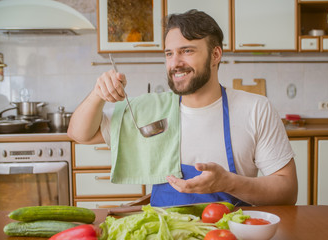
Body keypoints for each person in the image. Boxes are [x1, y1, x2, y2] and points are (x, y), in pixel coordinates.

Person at [68, 9, 298, 207]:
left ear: (215, 54)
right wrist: (97, 95)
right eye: (169, 53)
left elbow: (288, 191)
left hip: (230, 233)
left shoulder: (256, 109)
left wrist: (229, 182)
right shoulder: (149, 111)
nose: (175, 63)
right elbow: (79, 134)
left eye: (187, 51)